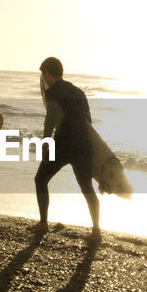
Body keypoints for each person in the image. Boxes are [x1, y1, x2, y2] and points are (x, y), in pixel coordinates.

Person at [33, 56, 101, 243]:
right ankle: (96, 231)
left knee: (40, 179)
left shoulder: (53, 92)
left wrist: (46, 144)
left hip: (62, 145)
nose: (43, 78)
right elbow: (88, 121)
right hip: (82, 145)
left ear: (47, 73)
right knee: (87, 188)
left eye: (43, 74)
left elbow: (50, 121)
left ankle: (43, 223)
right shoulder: (78, 91)